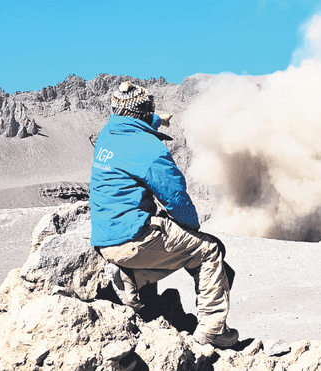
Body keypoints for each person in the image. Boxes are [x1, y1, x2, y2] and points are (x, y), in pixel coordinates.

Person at [89, 81, 238, 348]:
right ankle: (213, 329)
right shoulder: (149, 149)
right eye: (150, 113)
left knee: (173, 240)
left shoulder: (107, 134)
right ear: (144, 112)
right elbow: (175, 197)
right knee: (209, 250)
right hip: (133, 238)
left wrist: (158, 119)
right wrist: (191, 230)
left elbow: (131, 122)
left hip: (104, 239)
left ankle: (133, 278)